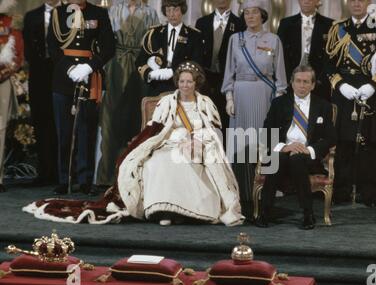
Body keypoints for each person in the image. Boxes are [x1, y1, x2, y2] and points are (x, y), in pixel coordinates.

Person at [24, 62, 244, 226]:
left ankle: (189, 212)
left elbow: (214, 130)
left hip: (198, 147)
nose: (185, 85)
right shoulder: (167, 102)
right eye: (182, 81)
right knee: (159, 162)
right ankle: (163, 212)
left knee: (186, 162)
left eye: (190, 81)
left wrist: (198, 142)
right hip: (167, 144)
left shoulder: (205, 103)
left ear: (197, 83)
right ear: (177, 82)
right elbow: (153, 129)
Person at [324, 0, 376, 207]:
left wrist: (374, 85)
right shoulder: (338, 28)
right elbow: (328, 64)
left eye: (360, 0)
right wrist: (340, 86)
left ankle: (368, 192)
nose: (356, 3)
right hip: (345, 93)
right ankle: (342, 191)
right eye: (352, 0)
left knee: (369, 144)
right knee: (343, 142)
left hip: (369, 91)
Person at [222, 0, 287, 216]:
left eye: (254, 13)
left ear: (263, 15)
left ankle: (269, 185)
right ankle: (238, 186)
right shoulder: (235, 39)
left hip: (265, 94)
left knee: (266, 140)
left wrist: (278, 101)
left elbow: (280, 76)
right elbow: (229, 71)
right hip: (240, 93)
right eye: (246, 13)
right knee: (240, 141)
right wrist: (229, 98)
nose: (250, 17)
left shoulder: (273, 39)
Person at [47, 0, 115, 195]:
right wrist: (69, 68)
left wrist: (90, 66)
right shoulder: (58, 13)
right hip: (63, 77)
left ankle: (85, 179)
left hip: (88, 76)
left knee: (87, 130)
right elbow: (52, 46)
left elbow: (109, 46)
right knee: (64, 131)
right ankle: (64, 178)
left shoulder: (98, 13)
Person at [256, 65, 336, 230]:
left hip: (307, 154)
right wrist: (283, 147)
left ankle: (308, 214)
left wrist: (310, 149)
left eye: (306, 82)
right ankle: (265, 211)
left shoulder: (323, 106)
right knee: (277, 159)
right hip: (284, 150)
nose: (302, 85)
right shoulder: (279, 103)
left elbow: (330, 137)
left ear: (313, 85)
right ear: (291, 83)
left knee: (298, 160)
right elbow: (266, 131)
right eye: (298, 81)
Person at [96, 0, 159, 187]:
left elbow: (152, 45)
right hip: (115, 67)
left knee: (137, 118)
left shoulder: (150, 13)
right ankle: (107, 176)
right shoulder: (113, 10)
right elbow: (105, 41)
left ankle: (134, 178)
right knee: (112, 118)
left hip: (139, 69)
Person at [23, 0, 61, 187]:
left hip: (63, 74)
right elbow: (27, 49)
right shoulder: (31, 16)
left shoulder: (71, 13)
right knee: (41, 121)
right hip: (39, 76)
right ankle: (44, 171)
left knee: (61, 123)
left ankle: (61, 172)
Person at [195, 0, 245, 139]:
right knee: (203, 120)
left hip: (227, 81)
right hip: (205, 81)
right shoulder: (202, 22)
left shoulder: (240, 24)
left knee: (225, 121)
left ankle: (224, 155)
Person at [135, 0, 203, 97]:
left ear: (182, 10)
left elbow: (197, 63)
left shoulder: (194, 36)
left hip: (182, 87)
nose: (171, 14)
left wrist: (172, 71)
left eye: (175, 10)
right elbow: (140, 60)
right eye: (168, 10)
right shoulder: (154, 33)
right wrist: (150, 74)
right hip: (156, 86)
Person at [277, 0, 333, 99]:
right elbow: (280, 56)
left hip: (319, 83)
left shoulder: (330, 24)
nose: (306, 1)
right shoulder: (286, 24)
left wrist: (321, 80)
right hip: (292, 82)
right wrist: (288, 80)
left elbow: (332, 57)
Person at [0, 0, 23, 193]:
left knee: (0, 129)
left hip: (2, 79)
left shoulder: (10, 23)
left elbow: (18, 55)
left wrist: (7, 71)